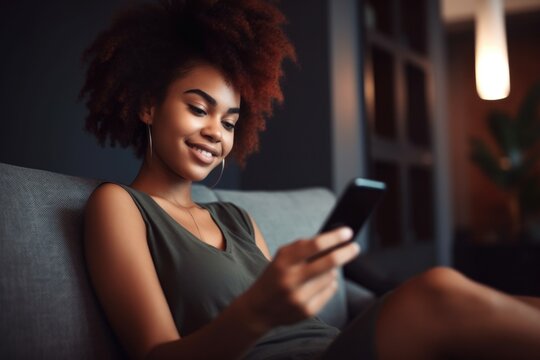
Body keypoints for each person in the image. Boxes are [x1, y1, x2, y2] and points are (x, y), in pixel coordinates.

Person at [82, 1, 540, 359]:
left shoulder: (236, 218)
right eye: (199, 109)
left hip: (329, 345)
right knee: (434, 291)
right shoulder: (119, 206)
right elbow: (155, 354)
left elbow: (293, 324)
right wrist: (257, 310)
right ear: (147, 107)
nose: (215, 132)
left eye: (229, 121)